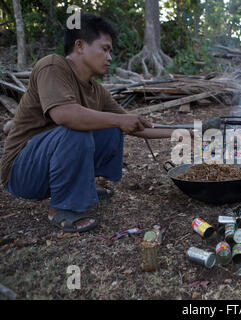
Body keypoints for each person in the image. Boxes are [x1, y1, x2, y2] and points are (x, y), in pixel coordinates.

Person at [0, 14, 176, 233]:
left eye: (110, 51)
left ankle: (83, 188)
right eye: (104, 49)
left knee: (108, 126)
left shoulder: (97, 91)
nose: (109, 57)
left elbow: (136, 127)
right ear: (80, 46)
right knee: (78, 129)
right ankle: (61, 209)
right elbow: (64, 115)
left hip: (49, 164)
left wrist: (185, 132)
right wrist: (120, 120)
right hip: (21, 172)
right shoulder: (52, 66)